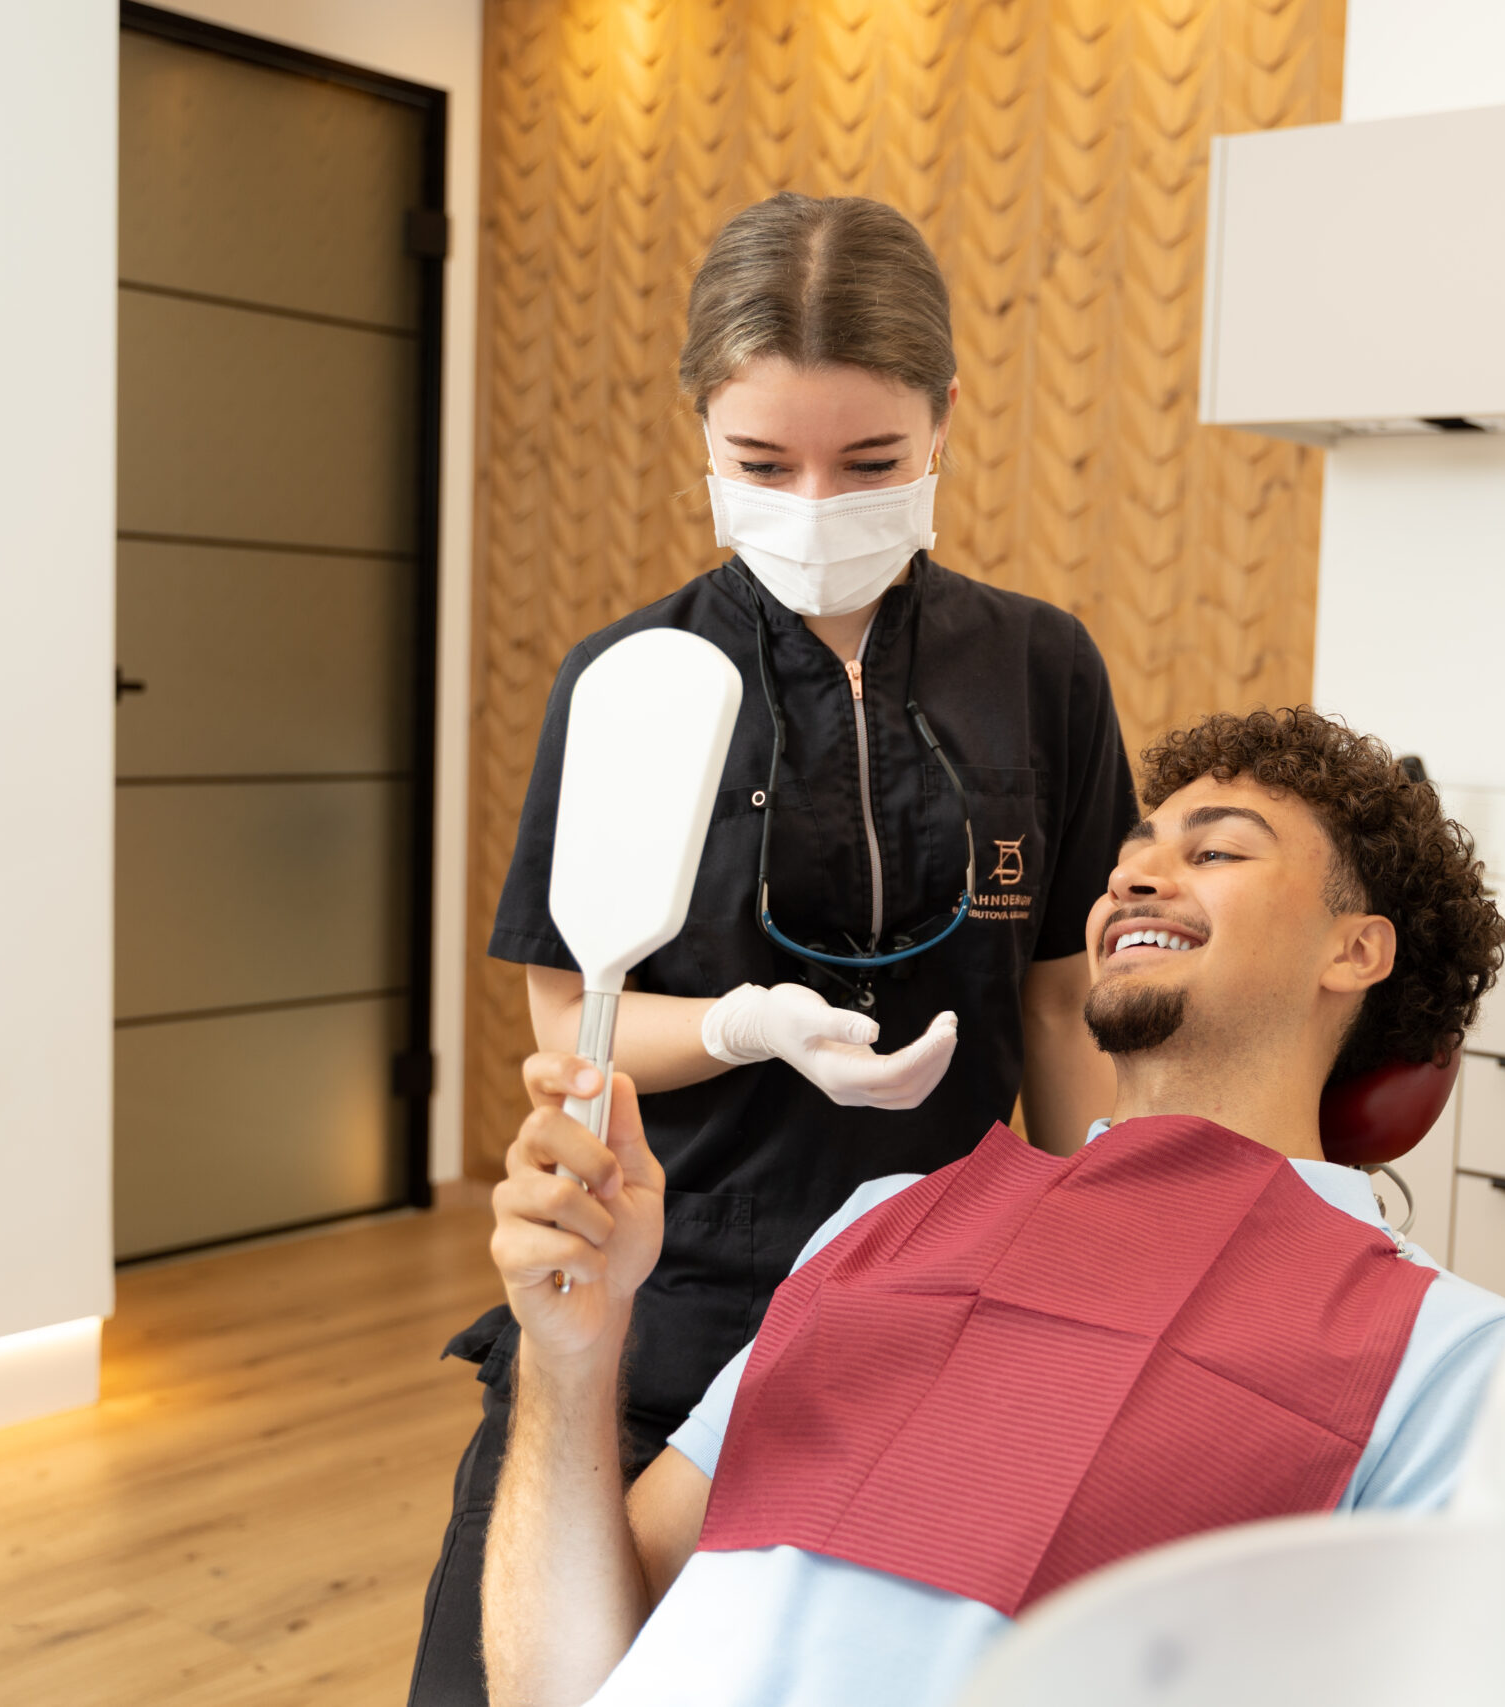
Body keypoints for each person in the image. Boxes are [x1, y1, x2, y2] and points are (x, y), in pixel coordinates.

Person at [410, 194, 1138, 1704]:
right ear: (703, 431)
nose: (816, 504)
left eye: (869, 463)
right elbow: (571, 1022)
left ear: (944, 418)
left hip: (937, 1301)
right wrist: (741, 1025)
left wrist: (1098, 1269)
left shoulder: (1041, 671)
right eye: (761, 463)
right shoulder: (635, 680)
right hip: (668, 1286)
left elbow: (1064, 999)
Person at [481, 707, 1505, 1707]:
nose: (1131, 879)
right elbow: (556, 1683)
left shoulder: (1447, 1356)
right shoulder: (887, 1220)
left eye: (1216, 852)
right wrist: (572, 1352)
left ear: (1356, 951)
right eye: (1130, 859)